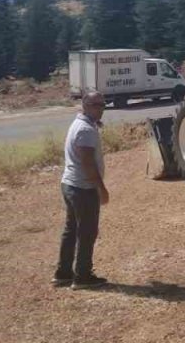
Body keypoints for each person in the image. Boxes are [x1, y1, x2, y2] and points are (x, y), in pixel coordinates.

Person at [54, 91, 110, 289]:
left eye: (103, 105)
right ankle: (82, 277)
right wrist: (101, 188)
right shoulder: (85, 130)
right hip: (82, 188)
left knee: (71, 230)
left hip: (70, 185)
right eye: (96, 105)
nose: (101, 109)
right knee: (87, 233)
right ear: (85, 106)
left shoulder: (81, 124)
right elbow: (87, 163)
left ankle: (63, 274)